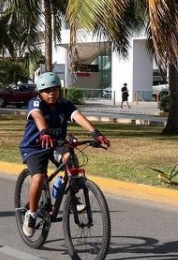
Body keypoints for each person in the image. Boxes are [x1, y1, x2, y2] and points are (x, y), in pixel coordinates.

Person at [19, 71, 110, 237]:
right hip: (34, 147)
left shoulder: (65, 104)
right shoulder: (36, 103)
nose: (51, 93)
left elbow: (78, 116)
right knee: (38, 178)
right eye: (47, 91)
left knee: (70, 158)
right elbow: (37, 116)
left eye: (54, 89)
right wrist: (44, 131)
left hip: (56, 144)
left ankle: (69, 191)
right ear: (40, 92)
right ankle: (31, 215)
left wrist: (95, 133)